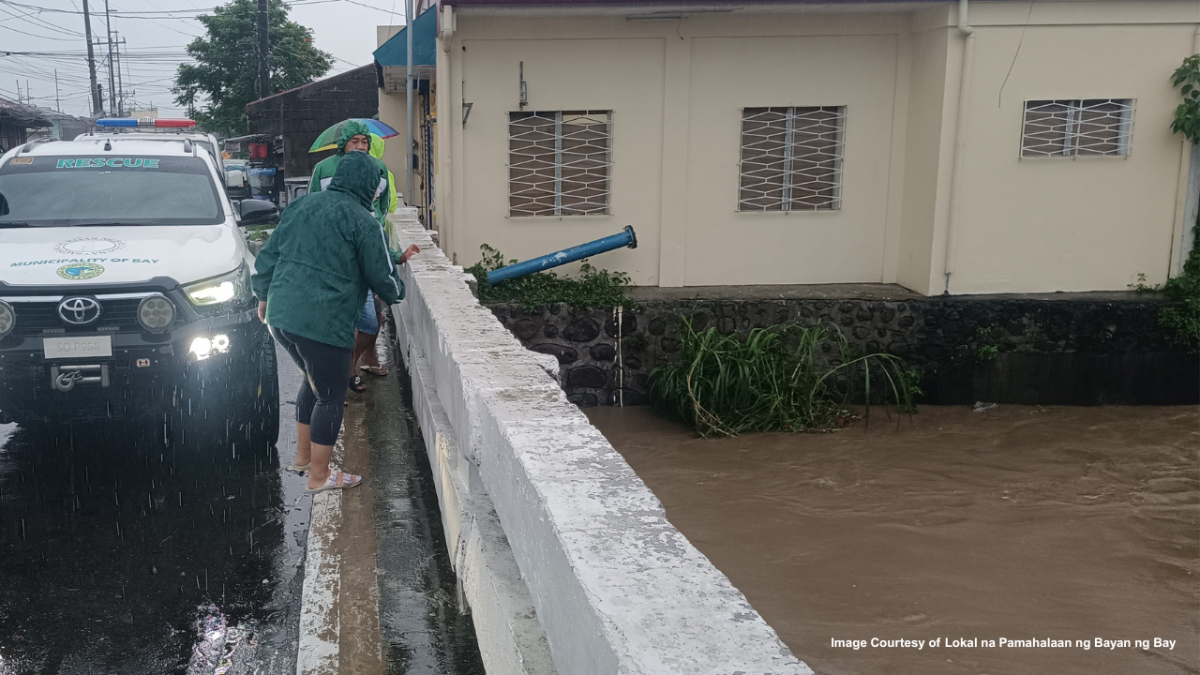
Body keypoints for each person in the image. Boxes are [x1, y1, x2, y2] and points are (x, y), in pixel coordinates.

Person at [253, 152, 410, 494]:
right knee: (331, 395)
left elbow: (268, 256)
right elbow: (382, 275)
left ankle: (304, 459)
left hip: (282, 317)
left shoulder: (301, 206)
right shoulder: (363, 221)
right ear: (370, 185)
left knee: (313, 382)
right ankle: (320, 477)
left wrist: (263, 296)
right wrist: (397, 292)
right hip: (323, 322)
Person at [309, 121, 395, 393]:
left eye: (364, 142)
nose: (360, 146)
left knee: (370, 320)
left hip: (365, 252)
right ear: (343, 144)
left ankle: (349, 366)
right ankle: (331, 383)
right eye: (354, 141)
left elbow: (382, 207)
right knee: (334, 323)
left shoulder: (378, 169)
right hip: (333, 256)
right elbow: (313, 205)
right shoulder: (324, 170)